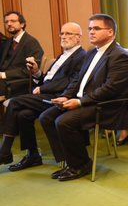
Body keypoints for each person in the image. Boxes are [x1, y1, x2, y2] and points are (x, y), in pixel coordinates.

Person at [38, 14, 128, 181]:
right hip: (87, 101)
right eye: (90, 29)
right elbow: (78, 79)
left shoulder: (119, 55)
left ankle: (81, 164)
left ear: (110, 32)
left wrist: (80, 102)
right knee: (46, 117)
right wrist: (66, 95)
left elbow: (110, 89)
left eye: (96, 28)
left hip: (106, 106)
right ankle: (69, 161)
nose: (91, 32)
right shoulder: (91, 52)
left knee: (63, 121)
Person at [0, 23, 86, 170]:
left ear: (78, 37)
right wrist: (36, 72)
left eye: (68, 34)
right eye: (62, 33)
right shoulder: (63, 55)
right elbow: (48, 79)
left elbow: (69, 82)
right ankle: (33, 155)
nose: (63, 36)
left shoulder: (81, 56)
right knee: (23, 114)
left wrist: (43, 88)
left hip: (59, 97)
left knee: (14, 102)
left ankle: (4, 151)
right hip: (47, 93)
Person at [0, 11, 44, 98]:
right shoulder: (7, 42)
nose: (9, 24)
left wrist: (3, 75)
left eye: (13, 21)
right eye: (6, 22)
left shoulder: (31, 42)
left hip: (18, 84)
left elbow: (30, 70)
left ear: (22, 24)